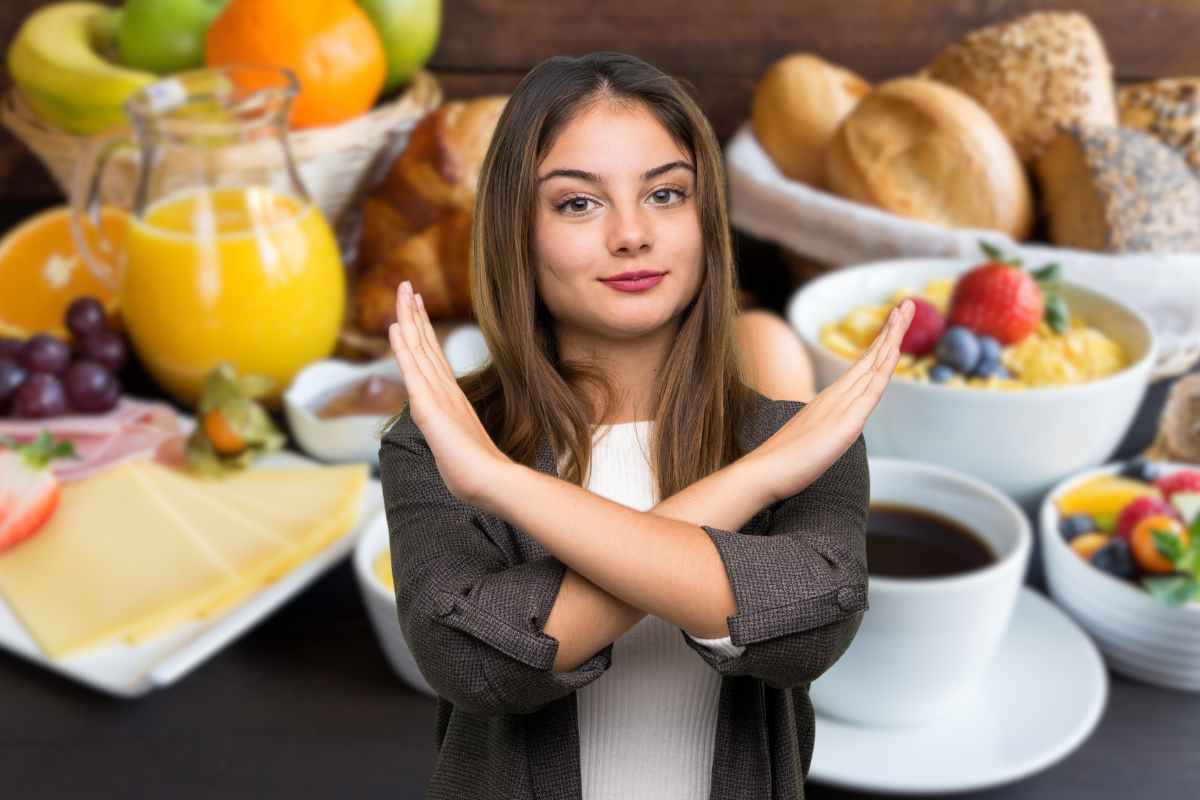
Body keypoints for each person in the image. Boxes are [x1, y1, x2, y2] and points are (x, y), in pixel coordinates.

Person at [378, 51, 915, 800]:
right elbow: (479, 666)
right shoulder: (443, 440)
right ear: (515, 232)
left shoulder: (796, 444)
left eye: (665, 194)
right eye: (577, 203)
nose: (632, 234)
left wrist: (504, 489)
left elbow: (810, 629)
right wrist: (749, 488)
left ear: (705, 220)